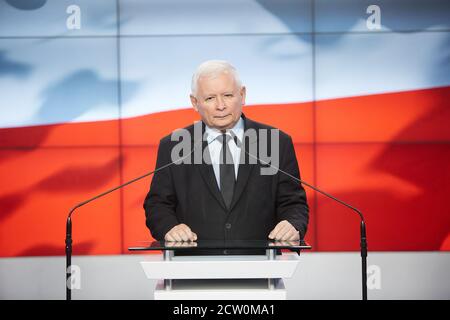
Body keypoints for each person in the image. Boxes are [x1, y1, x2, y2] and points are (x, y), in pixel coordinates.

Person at [143, 60, 309, 252]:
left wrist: (292, 224)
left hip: (259, 267)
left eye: (228, 95)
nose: (220, 106)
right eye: (210, 98)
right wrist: (170, 228)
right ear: (195, 103)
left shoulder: (274, 142)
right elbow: (157, 205)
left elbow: (293, 203)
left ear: (242, 95)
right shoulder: (175, 145)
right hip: (192, 267)